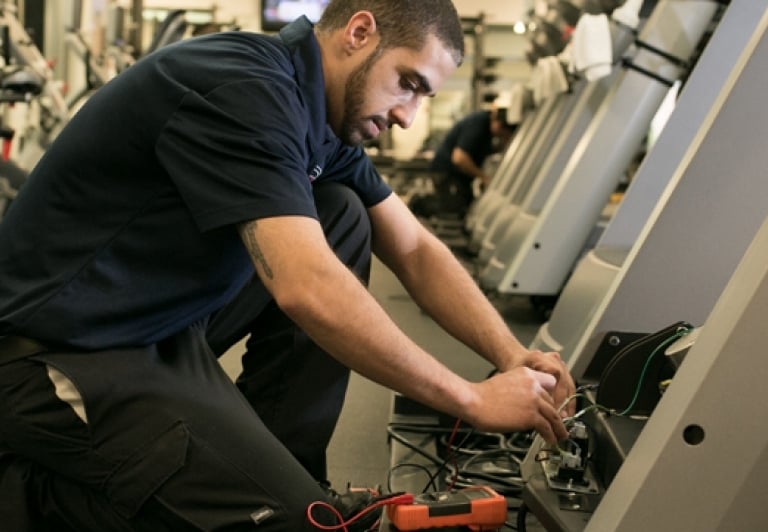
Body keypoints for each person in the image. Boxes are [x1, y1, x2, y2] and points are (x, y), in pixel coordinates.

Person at [0, 1, 574, 530]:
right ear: (360, 32)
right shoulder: (243, 87)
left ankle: (291, 475)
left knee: (343, 214)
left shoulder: (321, 115)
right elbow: (306, 289)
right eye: (408, 84)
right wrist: (470, 399)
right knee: (293, 526)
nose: (408, 115)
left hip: (155, 328)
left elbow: (415, 249)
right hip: (56, 355)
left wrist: (509, 354)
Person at [410, 106, 517, 219]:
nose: (501, 137)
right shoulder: (479, 124)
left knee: (466, 204)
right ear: (499, 125)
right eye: (503, 134)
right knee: (453, 209)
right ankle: (418, 204)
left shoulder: (487, 130)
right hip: (447, 172)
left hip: (456, 176)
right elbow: (459, 158)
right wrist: (483, 177)